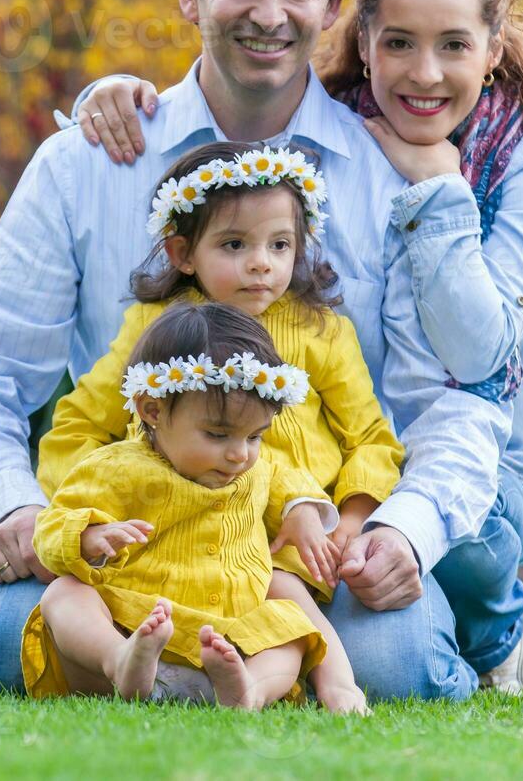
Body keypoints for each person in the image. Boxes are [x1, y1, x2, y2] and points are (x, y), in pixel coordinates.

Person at [0, 0, 508, 704]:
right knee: (8, 640)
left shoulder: (390, 177)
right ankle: (212, 669)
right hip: (135, 539)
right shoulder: (86, 162)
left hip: (307, 550)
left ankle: (229, 667)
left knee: (397, 666)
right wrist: (17, 510)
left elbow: (444, 402)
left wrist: (396, 532)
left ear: (334, 3)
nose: (268, 13)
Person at [68, 0, 523, 694]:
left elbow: (478, 358)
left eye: (454, 46)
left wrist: (440, 190)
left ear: (494, 48)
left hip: (485, 470)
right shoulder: (347, 135)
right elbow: (235, 126)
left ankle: (493, 625)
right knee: (364, 601)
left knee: (452, 554)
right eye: (398, 42)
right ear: (361, 42)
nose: (423, 73)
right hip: (358, 480)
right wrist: (110, 94)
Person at [36, 140, 400, 711]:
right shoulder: (157, 330)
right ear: (183, 251)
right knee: (45, 611)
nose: (262, 262)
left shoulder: (320, 331)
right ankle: (124, 658)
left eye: (280, 245)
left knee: (291, 610)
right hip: (158, 547)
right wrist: (91, 522)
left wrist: (345, 522)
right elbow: (79, 426)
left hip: (280, 547)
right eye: (235, 244)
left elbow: (372, 438)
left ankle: (319, 681)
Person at [25, 302, 341, 710]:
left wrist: (301, 512)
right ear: (152, 410)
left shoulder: (256, 471)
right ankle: (119, 661)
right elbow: (50, 527)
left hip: (231, 639)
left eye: (255, 437)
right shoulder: (116, 467)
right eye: (217, 434)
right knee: (63, 594)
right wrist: (86, 536)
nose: (239, 455)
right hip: (135, 625)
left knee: (293, 626)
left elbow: (293, 482)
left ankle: (249, 689)